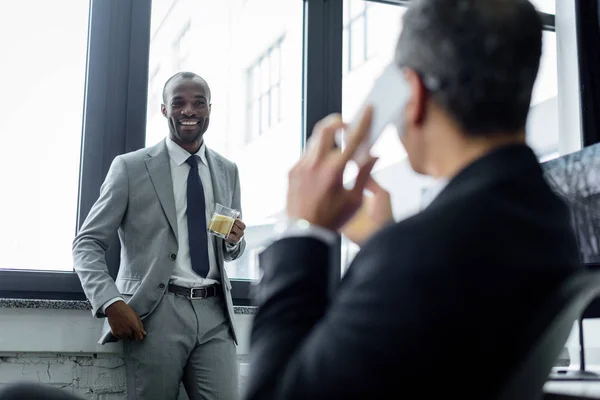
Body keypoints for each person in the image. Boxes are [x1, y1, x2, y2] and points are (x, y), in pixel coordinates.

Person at [245, 0, 581, 398]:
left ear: (415, 93)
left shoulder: (415, 256)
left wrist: (302, 230)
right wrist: (384, 244)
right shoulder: (552, 219)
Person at [73, 72, 245, 400]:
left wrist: (234, 241)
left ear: (209, 108)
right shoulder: (130, 167)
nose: (189, 110)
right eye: (178, 102)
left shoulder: (227, 169)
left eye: (198, 103)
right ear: (165, 110)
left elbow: (228, 250)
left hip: (216, 313)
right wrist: (110, 302)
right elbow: (87, 244)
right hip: (156, 313)